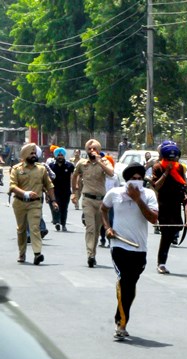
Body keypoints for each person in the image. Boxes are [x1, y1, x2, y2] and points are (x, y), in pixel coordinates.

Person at [101, 164, 159, 339]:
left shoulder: (149, 195)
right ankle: (121, 323)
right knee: (124, 280)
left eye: (140, 178)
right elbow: (103, 209)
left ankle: (122, 315)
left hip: (139, 248)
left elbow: (153, 219)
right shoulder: (115, 193)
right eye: (133, 179)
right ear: (126, 180)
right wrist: (107, 228)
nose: (137, 182)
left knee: (130, 284)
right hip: (119, 245)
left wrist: (137, 199)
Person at [9, 143, 57, 265]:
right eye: (31, 153)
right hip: (19, 203)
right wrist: (25, 193)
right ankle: (22, 253)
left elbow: (49, 185)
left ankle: (37, 253)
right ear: (25, 155)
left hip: (35, 204)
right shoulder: (17, 169)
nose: (34, 155)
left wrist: (53, 201)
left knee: (35, 228)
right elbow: (12, 186)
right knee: (21, 230)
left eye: (35, 153)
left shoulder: (41, 169)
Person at [71, 139, 115, 267]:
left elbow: (111, 173)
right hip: (88, 200)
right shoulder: (82, 163)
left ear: (99, 150)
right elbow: (74, 176)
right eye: (89, 149)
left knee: (96, 230)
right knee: (90, 228)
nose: (91, 151)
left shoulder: (104, 162)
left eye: (94, 149)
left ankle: (93, 254)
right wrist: (74, 192)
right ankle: (90, 254)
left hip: (101, 201)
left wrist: (100, 161)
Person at [150, 141, 187, 274]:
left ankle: (162, 260)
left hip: (176, 204)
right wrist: (166, 172)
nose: (173, 160)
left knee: (174, 230)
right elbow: (157, 186)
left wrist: (185, 192)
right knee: (166, 235)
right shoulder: (158, 167)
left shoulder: (179, 168)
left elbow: (183, 183)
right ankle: (161, 263)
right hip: (164, 205)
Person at [48, 147, 74, 231]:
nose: (60, 157)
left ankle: (63, 224)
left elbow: (74, 176)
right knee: (56, 206)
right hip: (55, 190)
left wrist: (74, 190)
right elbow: (48, 178)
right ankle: (57, 221)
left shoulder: (69, 166)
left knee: (64, 208)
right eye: (58, 155)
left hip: (66, 191)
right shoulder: (51, 166)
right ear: (55, 156)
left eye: (61, 155)